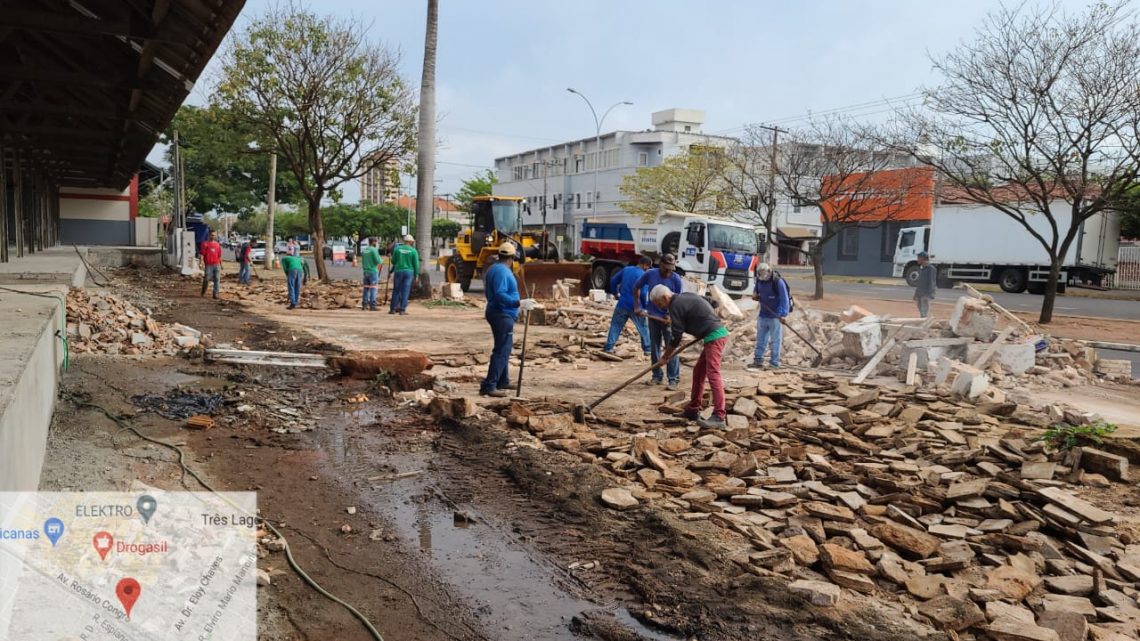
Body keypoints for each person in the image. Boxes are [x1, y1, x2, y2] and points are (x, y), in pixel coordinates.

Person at [651, 285, 729, 430]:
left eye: (658, 303)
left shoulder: (675, 305)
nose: (659, 307)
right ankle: (693, 410)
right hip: (712, 335)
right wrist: (706, 318)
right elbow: (712, 302)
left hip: (715, 336)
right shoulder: (685, 296)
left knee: (713, 374)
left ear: (664, 297)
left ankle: (719, 416)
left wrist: (665, 357)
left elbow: (676, 336)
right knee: (698, 372)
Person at [480, 242, 536, 397]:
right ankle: (489, 385)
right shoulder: (502, 272)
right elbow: (500, 294)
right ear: (512, 257)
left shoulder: (495, 269)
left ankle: (502, 380)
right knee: (502, 350)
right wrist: (518, 303)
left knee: (504, 348)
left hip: (500, 313)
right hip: (502, 314)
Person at [633, 254, 684, 390]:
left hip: (668, 319)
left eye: (671, 268)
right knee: (654, 347)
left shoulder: (676, 279)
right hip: (653, 317)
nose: (669, 271)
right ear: (660, 264)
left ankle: (673, 379)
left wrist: (670, 315)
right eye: (666, 268)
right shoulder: (650, 274)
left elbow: (678, 300)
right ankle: (657, 376)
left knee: (671, 348)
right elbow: (636, 287)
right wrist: (637, 306)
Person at [603, 256, 652, 356]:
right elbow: (643, 293)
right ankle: (647, 350)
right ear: (644, 265)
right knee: (643, 328)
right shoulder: (644, 275)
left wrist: (615, 293)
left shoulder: (626, 269)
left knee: (616, 325)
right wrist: (645, 306)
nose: (649, 269)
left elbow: (613, 280)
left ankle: (609, 347)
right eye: (649, 266)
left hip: (622, 304)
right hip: (637, 306)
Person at [748, 263, 790, 370]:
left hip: (775, 316)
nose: (763, 277)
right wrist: (754, 295)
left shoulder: (778, 282)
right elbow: (756, 290)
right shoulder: (759, 280)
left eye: (764, 275)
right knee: (761, 339)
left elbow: (784, 299)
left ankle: (774, 363)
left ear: (769, 272)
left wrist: (783, 314)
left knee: (775, 340)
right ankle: (758, 361)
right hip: (763, 314)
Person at [389, 234, 420, 315]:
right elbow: (416, 264)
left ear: (404, 241)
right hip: (409, 272)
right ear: (410, 242)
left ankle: (393, 309)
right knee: (405, 291)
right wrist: (416, 275)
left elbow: (393, 261)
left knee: (396, 290)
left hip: (398, 271)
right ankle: (402, 310)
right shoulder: (413, 251)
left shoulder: (397, 249)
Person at [359, 238, 382, 311]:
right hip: (373, 271)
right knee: (373, 288)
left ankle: (364, 304)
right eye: (376, 242)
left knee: (366, 288)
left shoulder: (364, 250)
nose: (377, 243)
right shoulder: (374, 250)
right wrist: (381, 260)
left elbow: (363, 261)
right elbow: (377, 261)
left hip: (366, 271)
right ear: (373, 242)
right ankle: (372, 305)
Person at [199, 230, 223, 299]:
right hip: (208, 265)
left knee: (217, 279)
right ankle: (203, 291)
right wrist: (201, 263)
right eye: (212, 235)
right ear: (209, 235)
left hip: (217, 264)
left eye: (214, 235)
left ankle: (216, 294)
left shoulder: (217, 245)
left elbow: (219, 256)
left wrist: (221, 265)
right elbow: (202, 254)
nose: (213, 236)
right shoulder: (205, 244)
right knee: (206, 279)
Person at [914, 251, 937, 318]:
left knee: (924, 309)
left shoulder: (931, 269)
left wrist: (931, 294)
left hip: (926, 293)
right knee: (920, 307)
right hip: (920, 293)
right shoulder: (922, 268)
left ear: (922, 259)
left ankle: (924, 322)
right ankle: (923, 320)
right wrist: (916, 294)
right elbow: (920, 283)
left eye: (918, 258)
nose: (917, 259)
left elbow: (932, 282)